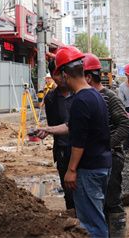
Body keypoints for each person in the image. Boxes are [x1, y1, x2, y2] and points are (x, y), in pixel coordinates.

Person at [54, 46, 112, 237]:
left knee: (92, 225)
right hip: (102, 164)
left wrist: (71, 170)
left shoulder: (80, 101)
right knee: (97, 217)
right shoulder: (96, 95)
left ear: (64, 74)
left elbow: (79, 141)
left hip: (88, 170)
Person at [83, 53, 129, 238]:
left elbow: (125, 125)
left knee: (112, 201)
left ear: (88, 77)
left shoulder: (109, 97)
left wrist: (106, 145)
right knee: (98, 203)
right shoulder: (86, 98)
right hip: (96, 159)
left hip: (111, 157)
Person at [42, 60, 74, 212]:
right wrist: (46, 131)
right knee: (69, 191)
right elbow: (53, 126)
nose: (59, 78)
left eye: (62, 73)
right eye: (56, 74)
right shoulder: (51, 99)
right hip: (63, 150)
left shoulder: (80, 93)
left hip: (83, 149)